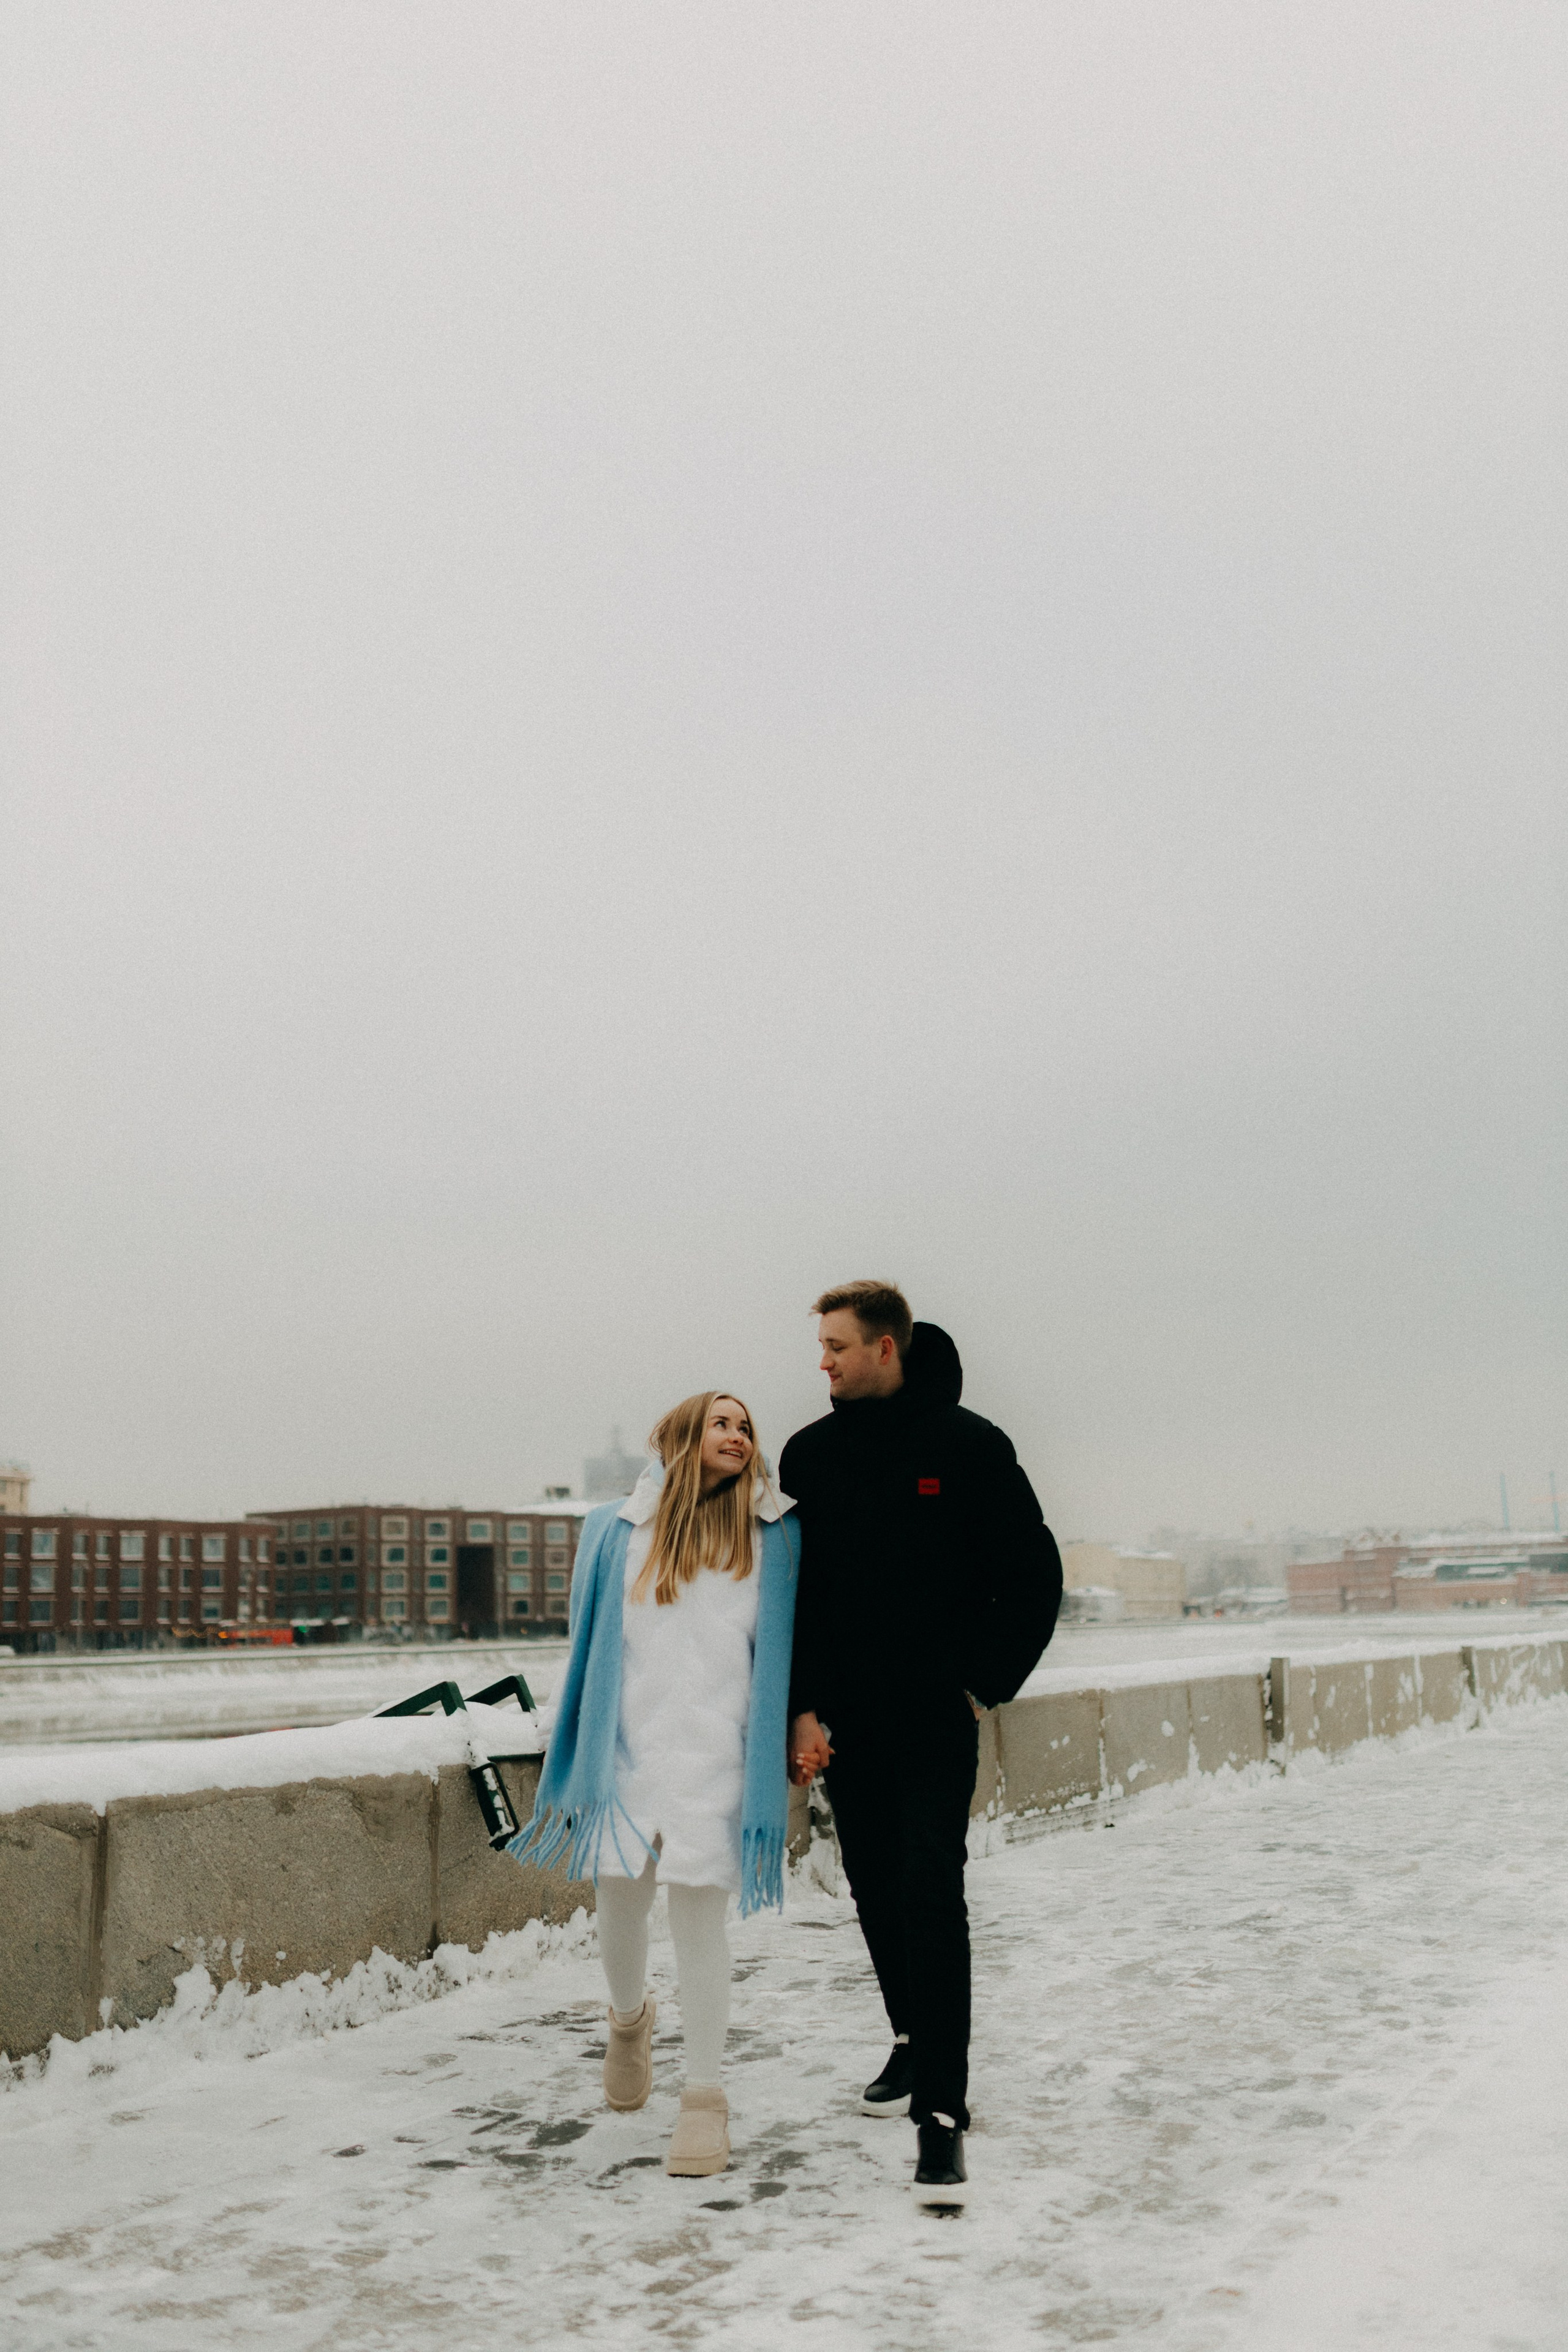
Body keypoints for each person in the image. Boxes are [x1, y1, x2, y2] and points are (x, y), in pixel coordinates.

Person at [782, 1281, 1061, 2209]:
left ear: (887, 1349)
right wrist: (807, 1707)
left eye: (836, 1346)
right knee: (872, 1881)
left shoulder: (970, 1446)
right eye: (820, 1346)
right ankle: (911, 2037)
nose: (821, 1361)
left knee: (931, 1884)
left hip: (938, 1716)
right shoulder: (809, 1455)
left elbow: (1031, 1575)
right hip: (848, 1722)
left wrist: (982, 1685)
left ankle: (941, 2108)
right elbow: (803, 1599)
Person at [508, 1392, 799, 2180]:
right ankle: (628, 2021)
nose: (738, 1436)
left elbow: (793, 1648)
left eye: (745, 1427)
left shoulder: (776, 1535)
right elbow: (586, 1640)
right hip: (625, 1755)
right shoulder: (612, 1529)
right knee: (620, 1909)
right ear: (680, 1437)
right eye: (721, 1423)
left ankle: (704, 2098)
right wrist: (572, 1734)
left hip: (719, 1759)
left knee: (702, 1924)